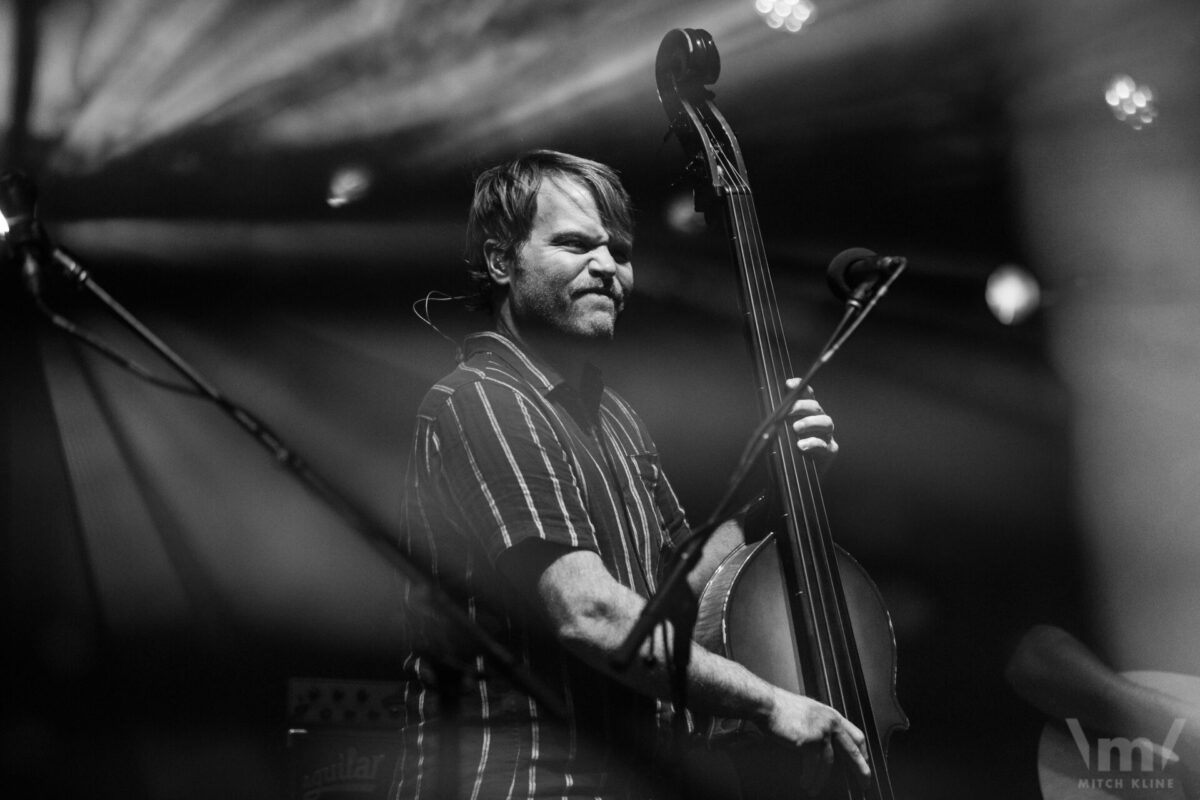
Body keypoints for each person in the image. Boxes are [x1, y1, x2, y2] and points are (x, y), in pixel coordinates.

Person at [394, 149, 870, 799]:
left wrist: (774, 483)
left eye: (618, 250)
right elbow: (587, 612)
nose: (607, 267)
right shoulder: (486, 399)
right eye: (574, 244)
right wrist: (769, 703)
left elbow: (684, 589)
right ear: (502, 261)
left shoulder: (611, 416)